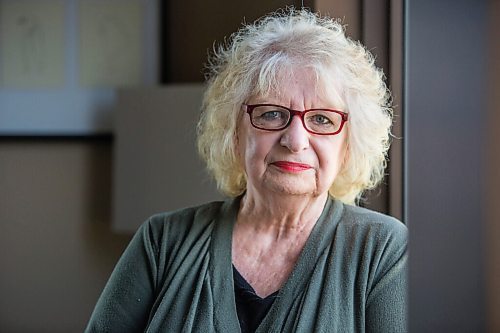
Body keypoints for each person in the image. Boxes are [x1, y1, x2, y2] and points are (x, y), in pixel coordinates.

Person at [86, 8, 407, 333]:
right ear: (234, 133)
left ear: (349, 144)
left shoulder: (382, 251)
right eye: (271, 113)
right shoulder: (162, 241)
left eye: (322, 119)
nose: (295, 140)